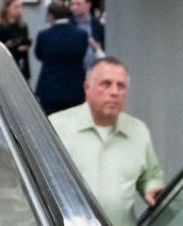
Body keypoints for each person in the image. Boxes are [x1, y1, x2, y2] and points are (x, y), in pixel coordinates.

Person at [50, 58, 164, 226]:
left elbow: (150, 176)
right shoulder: (57, 127)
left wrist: (151, 188)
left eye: (121, 86)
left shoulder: (138, 131)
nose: (114, 92)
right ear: (87, 88)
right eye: (106, 84)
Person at [34, 1, 88, 115]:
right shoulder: (81, 35)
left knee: (51, 125)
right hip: (75, 89)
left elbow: (39, 55)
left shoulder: (44, 35)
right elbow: (81, 55)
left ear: (51, 16)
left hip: (50, 90)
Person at [0, 0, 31, 82]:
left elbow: (25, 43)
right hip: (7, 66)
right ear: (7, 9)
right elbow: (0, 48)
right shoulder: (2, 28)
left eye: (20, 7)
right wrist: (11, 46)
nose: (19, 10)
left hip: (22, 65)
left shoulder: (23, 26)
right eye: (16, 7)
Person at [70, 0, 105, 72]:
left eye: (78, 4)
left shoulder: (97, 24)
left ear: (88, 5)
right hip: (73, 70)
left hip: (95, 69)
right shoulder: (69, 24)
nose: (74, 8)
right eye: (72, 4)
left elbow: (104, 45)